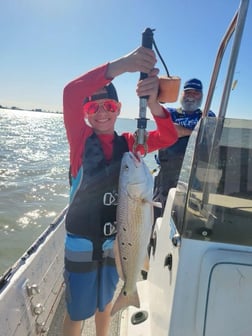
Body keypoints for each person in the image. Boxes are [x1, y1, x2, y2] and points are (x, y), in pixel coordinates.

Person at [62, 46, 178, 336]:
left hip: (117, 243)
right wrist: (123, 65)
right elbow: (70, 93)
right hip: (81, 245)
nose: (102, 113)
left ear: (118, 110)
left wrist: (153, 103)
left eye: (109, 107)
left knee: (105, 305)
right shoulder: (79, 141)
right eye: (93, 108)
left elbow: (168, 136)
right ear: (85, 113)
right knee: (77, 314)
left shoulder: (130, 146)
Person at [153, 78, 215, 217]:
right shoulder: (170, 112)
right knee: (159, 209)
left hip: (194, 172)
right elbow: (167, 130)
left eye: (195, 93)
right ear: (181, 94)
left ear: (202, 96)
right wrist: (195, 132)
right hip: (166, 171)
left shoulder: (207, 115)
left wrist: (181, 132)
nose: (191, 96)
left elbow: (208, 136)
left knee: (188, 213)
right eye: (187, 92)